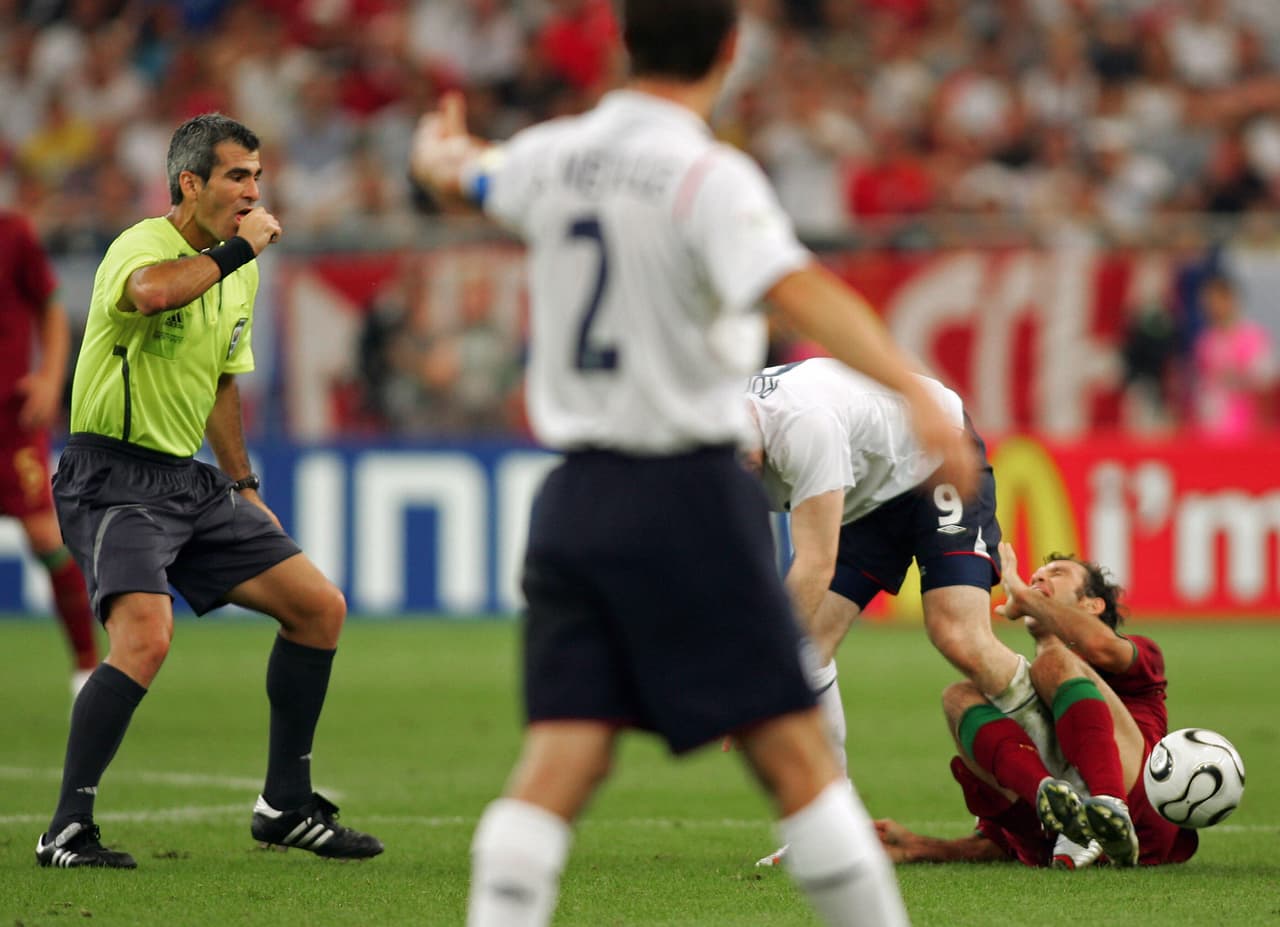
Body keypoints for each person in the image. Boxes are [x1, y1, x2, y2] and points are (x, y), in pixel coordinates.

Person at [410, 2, 980, 924]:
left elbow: (460, 175)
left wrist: (434, 150)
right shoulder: (706, 174)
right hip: (685, 485)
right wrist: (914, 392)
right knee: (794, 756)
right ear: (729, 50)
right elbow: (793, 288)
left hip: (576, 493)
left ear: (621, 44)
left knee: (562, 755)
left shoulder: (551, 154)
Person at [35, 113, 383, 869]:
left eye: (257, 176)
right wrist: (236, 251)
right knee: (146, 637)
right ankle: (65, 826)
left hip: (187, 480)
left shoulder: (240, 270)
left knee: (317, 607)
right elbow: (155, 294)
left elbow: (221, 383)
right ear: (190, 184)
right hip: (112, 475)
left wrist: (243, 483)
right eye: (236, 176)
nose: (254, 191)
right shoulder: (146, 243)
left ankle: (284, 804)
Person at [742, 358, 1075, 866]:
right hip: (863, 491)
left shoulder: (804, 427)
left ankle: (1080, 792)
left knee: (957, 634)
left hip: (933, 452)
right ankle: (834, 831)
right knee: (805, 653)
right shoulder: (708, 445)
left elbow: (813, 563)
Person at [874, 542, 1198, 868]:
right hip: (1050, 846)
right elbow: (998, 844)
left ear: (1092, 604)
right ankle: (1052, 800)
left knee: (1052, 661)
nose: (1038, 578)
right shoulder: (1023, 703)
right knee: (958, 697)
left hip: (1139, 823)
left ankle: (1109, 806)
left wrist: (1025, 596)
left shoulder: (1138, 657)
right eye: (1035, 577)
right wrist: (918, 847)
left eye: (1056, 573)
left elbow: (1099, 645)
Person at [0, 209, 101, 696]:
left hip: (10, 422)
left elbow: (53, 308)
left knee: (45, 537)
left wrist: (49, 377)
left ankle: (86, 665)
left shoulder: (14, 233)